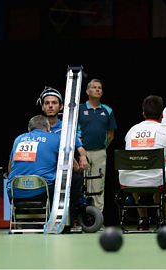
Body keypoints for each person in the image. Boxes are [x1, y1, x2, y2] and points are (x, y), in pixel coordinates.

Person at [120, 95, 166, 230]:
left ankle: (143, 220)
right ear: (162, 115)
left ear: (143, 114)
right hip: (157, 181)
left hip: (127, 182)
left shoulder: (131, 131)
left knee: (133, 167)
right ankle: (163, 219)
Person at [7, 115, 83, 226]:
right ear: (48, 128)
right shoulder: (56, 139)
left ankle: (24, 220)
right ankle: (67, 222)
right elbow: (74, 167)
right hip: (41, 192)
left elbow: (10, 168)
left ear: (29, 129)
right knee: (76, 178)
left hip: (15, 192)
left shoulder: (18, 139)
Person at [36, 86, 87, 224]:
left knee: (76, 179)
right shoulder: (36, 126)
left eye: (54, 103)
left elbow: (80, 147)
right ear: (42, 107)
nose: (51, 106)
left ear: (61, 106)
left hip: (61, 171)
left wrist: (82, 157)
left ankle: (67, 220)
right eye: (47, 103)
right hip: (42, 171)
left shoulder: (67, 127)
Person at [77, 78, 117, 214]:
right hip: (82, 153)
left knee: (98, 185)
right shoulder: (79, 109)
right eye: (94, 87)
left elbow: (111, 134)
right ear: (87, 91)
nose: (97, 89)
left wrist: (102, 148)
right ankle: (82, 216)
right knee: (82, 184)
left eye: (99, 87)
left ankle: (97, 218)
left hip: (100, 152)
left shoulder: (107, 110)